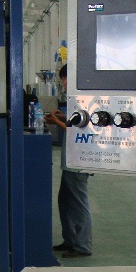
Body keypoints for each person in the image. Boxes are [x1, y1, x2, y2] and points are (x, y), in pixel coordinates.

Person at [44, 64, 92, 258]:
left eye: (65, 79)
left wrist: (57, 122)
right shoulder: (75, 99)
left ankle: (83, 246)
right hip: (71, 160)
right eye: (62, 79)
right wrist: (63, 117)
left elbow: (81, 129)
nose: (63, 83)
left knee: (78, 204)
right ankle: (70, 240)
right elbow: (75, 122)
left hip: (79, 161)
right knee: (65, 201)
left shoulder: (84, 98)